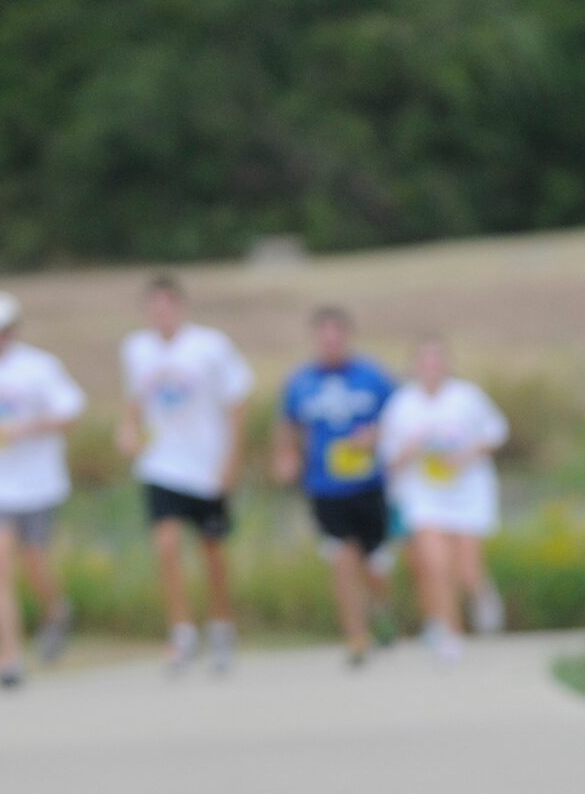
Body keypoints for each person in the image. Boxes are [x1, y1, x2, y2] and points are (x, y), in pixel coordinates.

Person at [0, 290, 85, 688]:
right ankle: (8, 658)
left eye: (3, 330)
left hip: (37, 483)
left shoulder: (39, 367)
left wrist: (25, 429)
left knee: (34, 565)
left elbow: (71, 414)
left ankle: (56, 611)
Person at [118, 274, 255, 673]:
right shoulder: (136, 349)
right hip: (162, 464)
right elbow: (136, 400)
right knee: (166, 544)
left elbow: (238, 401)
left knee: (212, 553)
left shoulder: (209, 346)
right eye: (154, 306)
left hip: (207, 466)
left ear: (181, 307)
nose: (161, 314)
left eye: (168, 305)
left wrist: (231, 461)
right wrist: (128, 429)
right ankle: (181, 630)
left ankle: (221, 625)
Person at [273, 308, 400, 666]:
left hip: (369, 485)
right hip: (325, 488)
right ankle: (356, 637)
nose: (330, 342)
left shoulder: (373, 376)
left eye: (337, 335)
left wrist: (375, 436)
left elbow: (403, 416)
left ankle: (382, 611)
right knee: (342, 560)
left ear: (347, 337)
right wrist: (286, 457)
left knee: (374, 564)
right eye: (323, 336)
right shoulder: (300, 382)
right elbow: (287, 425)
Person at [380, 337, 511, 660]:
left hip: (467, 492)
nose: (431, 368)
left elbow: (497, 431)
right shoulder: (402, 405)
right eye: (424, 361)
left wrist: (467, 454)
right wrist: (409, 452)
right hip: (423, 496)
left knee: (466, 570)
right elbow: (388, 457)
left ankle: (480, 593)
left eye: (437, 360)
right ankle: (449, 633)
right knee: (435, 565)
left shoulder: (466, 397)